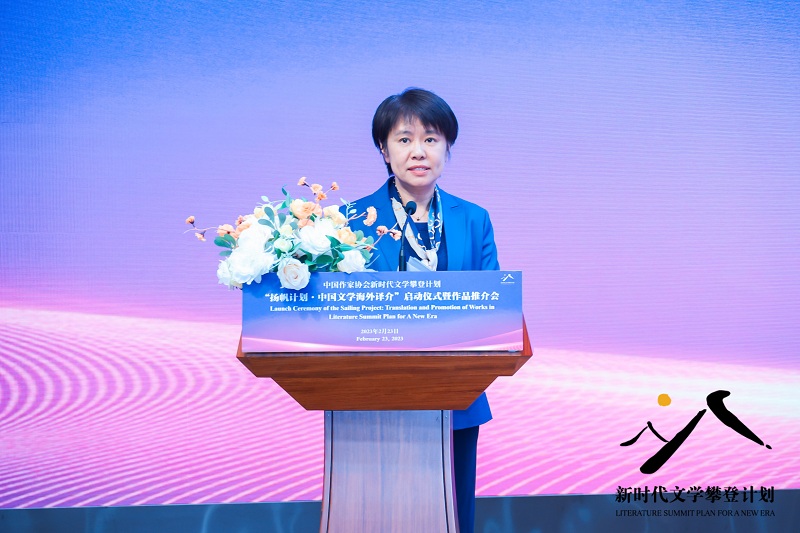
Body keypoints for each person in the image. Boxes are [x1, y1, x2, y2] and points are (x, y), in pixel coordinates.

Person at [349, 88, 499, 533]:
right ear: (384, 149)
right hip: (372, 400)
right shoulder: (349, 220)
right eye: (404, 139)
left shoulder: (473, 218)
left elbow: (492, 306)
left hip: (455, 397)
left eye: (431, 139)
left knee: (452, 515)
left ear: (447, 147)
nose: (419, 151)